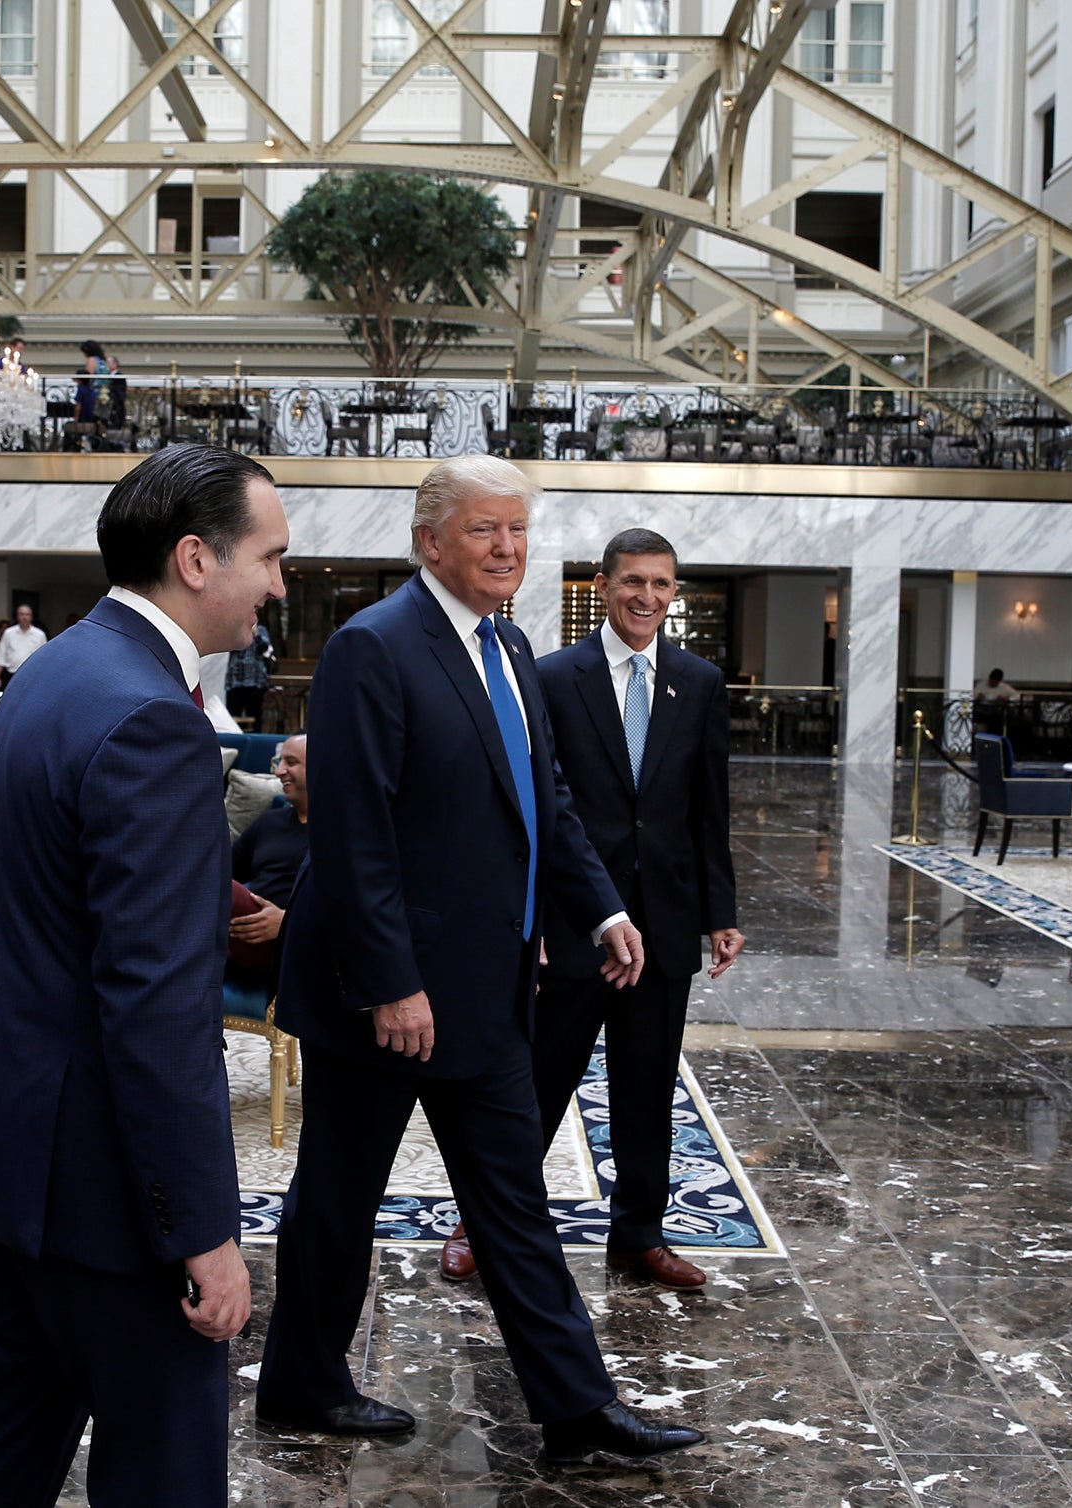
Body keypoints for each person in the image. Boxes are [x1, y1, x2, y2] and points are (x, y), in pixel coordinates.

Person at [256, 455, 705, 1465]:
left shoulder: (506, 644)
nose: (506, 549)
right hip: (385, 996)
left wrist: (600, 911)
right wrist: (390, 981)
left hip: (489, 989)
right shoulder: (371, 648)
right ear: (428, 541)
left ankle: (577, 1407)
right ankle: (300, 1381)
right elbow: (356, 832)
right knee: (337, 1199)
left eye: (516, 530)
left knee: (514, 1204)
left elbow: (544, 799)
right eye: (482, 531)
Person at [0, 444, 288, 1505]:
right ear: (193, 558)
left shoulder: (54, 670)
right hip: (109, 1192)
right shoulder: (155, 722)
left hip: (23, 1152)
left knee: (6, 1440)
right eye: (268, 556)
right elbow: (155, 1007)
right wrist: (201, 1232)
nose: (277, 582)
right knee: (163, 1473)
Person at [440, 529, 743, 1292]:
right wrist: (535, 918)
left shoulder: (699, 681)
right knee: (538, 1084)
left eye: (662, 586)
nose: (647, 597)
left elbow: (710, 808)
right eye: (633, 582)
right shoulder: (549, 676)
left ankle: (638, 1236)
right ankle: (482, 1220)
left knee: (648, 1088)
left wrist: (720, 911)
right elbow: (536, 809)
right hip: (577, 923)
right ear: (601, 587)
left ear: (675, 594)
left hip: (664, 924)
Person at [228, 733, 308, 987]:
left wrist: (288, 922)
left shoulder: (342, 829)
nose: (279, 772)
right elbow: (224, 871)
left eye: (291, 762)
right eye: (278, 762)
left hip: (299, 942)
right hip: (242, 933)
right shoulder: (270, 821)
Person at [225, 618, 275, 726]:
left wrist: (256, 634)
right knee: (233, 716)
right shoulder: (234, 631)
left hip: (255, 681)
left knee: (255, 715)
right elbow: (229, 648)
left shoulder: (261, 631)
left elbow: (266, 650)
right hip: (236, 680)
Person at [0, 603, 47, 685]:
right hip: (11, 674)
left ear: (31, 617)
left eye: (27, 614)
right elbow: (1, 656)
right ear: (17, 616)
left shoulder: (40, 635)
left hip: (32, 675)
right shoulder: (8, 633)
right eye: (22, 614)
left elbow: (44, 658)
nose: (24, 617)